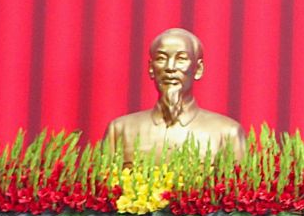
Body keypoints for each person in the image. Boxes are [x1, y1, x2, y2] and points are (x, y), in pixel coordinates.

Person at [104, 27, 244, 162]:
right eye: (161, 58)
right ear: (151, 68)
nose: (170, 67)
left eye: (181, 59)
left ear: (198, 69)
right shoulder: (120, 130)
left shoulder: (227, 133)